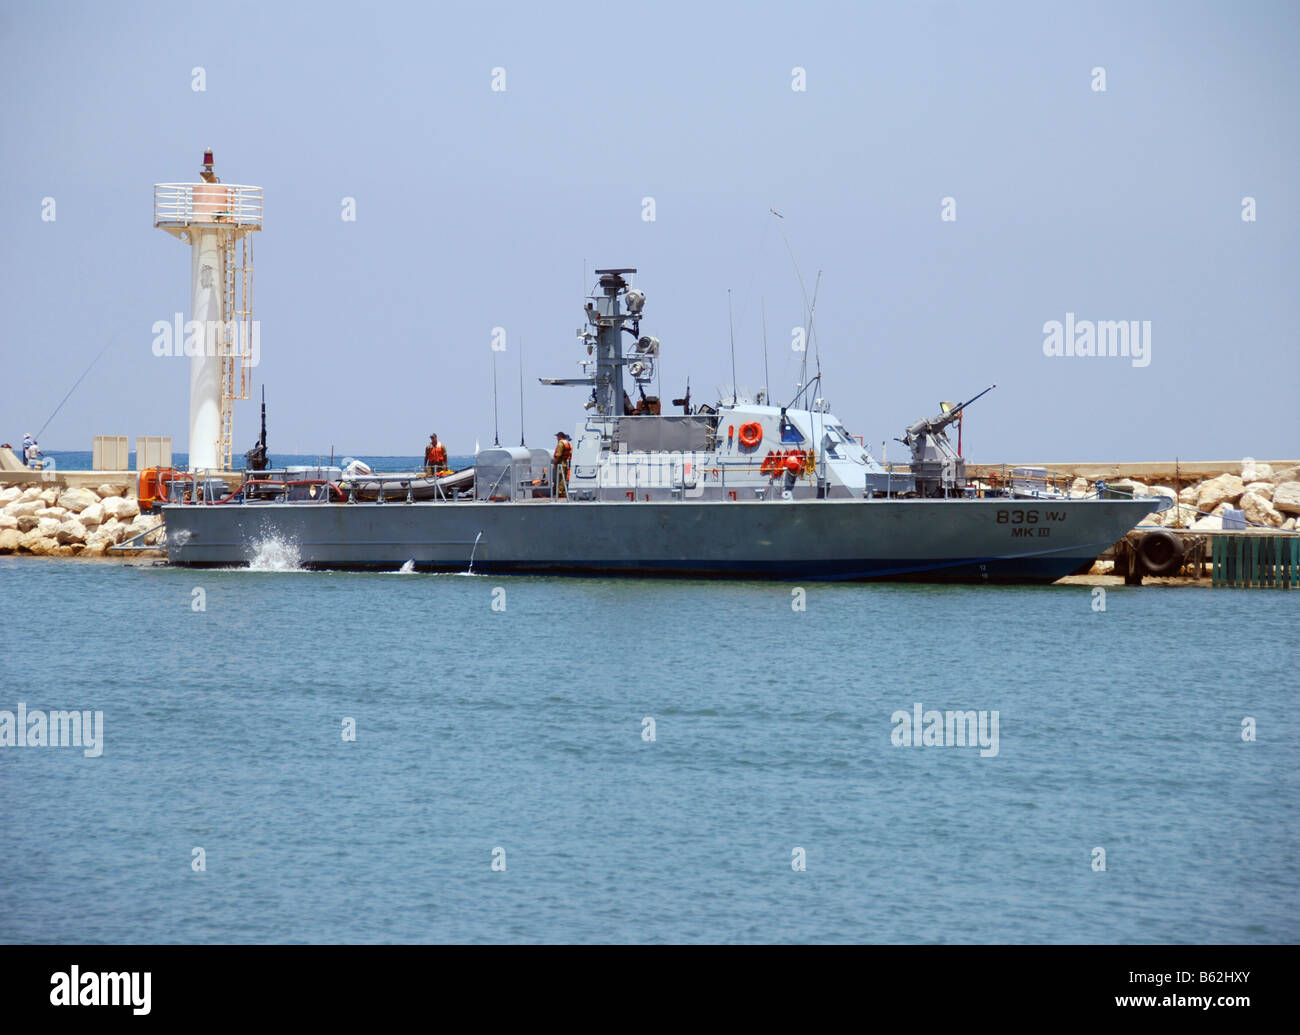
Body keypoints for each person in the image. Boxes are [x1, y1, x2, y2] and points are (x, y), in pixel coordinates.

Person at [553, 431, 572, 497]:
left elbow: (558, 454)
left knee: (560, 478)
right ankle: (563, 492)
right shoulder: (567, 443)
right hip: (565, 463)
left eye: (557, 436)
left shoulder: (561, 444)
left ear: (560, 436)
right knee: (564, 478)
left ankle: (560, 493)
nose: (557, 438)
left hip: (560, 463)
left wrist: (555, 462)